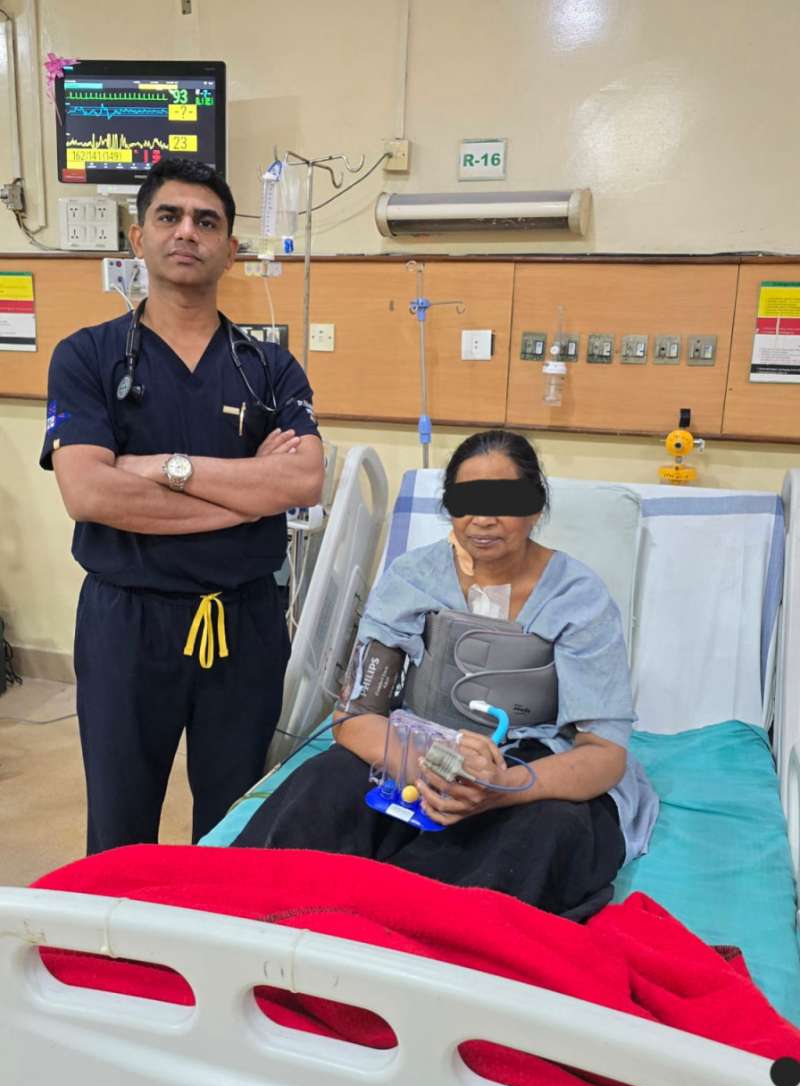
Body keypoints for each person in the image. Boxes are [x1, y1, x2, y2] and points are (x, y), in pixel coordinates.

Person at [232, 430, 658, 921]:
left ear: (536, 506)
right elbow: (354, 716)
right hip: (420, 748)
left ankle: (420, 934)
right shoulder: (413, 579)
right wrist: (429, 770)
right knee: (326, 783)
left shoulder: (578, 599)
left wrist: (504, 786)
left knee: (548, 831)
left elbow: (603, 754)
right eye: (467, 501)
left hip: (534, 764)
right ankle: (248, 916)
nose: (483, 518)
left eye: (505, 502)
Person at [40, 158, 324, 854]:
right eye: (169, 216)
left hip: (244, 622)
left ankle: (215, 927)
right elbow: (89, 492)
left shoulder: (269, 367)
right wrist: (248, 492)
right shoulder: (86, 357)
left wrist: (166, 470)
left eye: (207, 221)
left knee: (237, 824)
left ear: (231, 248)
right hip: (126, 624)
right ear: (138, 238)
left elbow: (302, 481)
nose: (187, 232)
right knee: (119, 822)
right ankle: (116, 928)